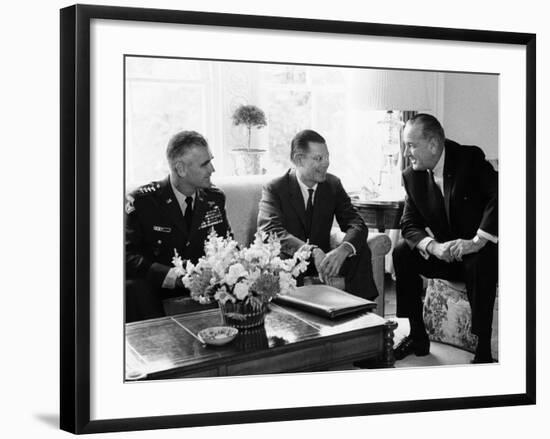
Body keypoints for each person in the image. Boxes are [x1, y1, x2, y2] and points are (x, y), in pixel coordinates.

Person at [393, 113, 498, 363]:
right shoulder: (412, 175)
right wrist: (435, 247)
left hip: (477, 252)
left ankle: (483, 346)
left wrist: (477, 241)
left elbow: (501, 194)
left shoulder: (469, 158)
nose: (406, 153)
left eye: (410, 145)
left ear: (432, 144)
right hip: (446, 255)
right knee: (401, 252)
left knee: (480, 260)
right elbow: (408, 224)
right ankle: (417, 335)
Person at [257, 129, 378, 300]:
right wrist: (310, 251)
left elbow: (356, 223)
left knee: (359, 249)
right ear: (299, 159)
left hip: (325, 262)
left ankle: (363, 315)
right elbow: (269, 230)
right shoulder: (275, 188)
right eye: (319, 159)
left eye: (327, 157)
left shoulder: (332, 184)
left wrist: (343, 249)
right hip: (292, 260)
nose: (326, 163)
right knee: (279, 259)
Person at [125, 130, 231, 322]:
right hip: (156, 294)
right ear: (180, 169)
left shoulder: (215, 198)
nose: (212, 169)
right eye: (205, 164)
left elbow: (226, 245)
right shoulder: (143, 202)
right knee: (133, 287)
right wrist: (173, 277)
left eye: (211, 161)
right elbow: (127, 257)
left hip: (207, 293)